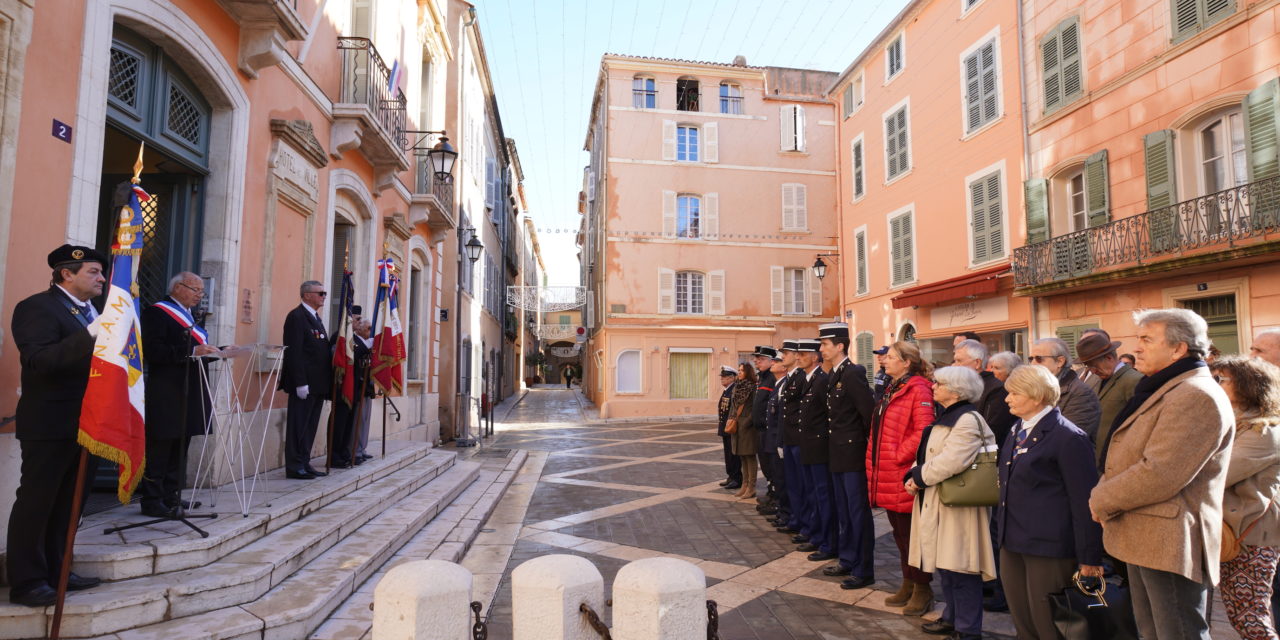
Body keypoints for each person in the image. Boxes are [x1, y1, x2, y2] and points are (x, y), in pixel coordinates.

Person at [1089, 308, 1234, 640]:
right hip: (1147, 534)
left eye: (1146, 339)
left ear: (1179, 348)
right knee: (1153, 631)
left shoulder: (1195, 394)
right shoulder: (1165, 388)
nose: (1136, 347)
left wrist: (1101, 498)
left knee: (1177, 633)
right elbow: (1127, 454)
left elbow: (1160, 473)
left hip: (1170, 541)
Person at [7, 244, 109, 606]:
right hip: (50, 422)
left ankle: (59, 569)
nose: (102, 278)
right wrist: (93, 333)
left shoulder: (89, 312)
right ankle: (28, 580)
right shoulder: (38, 307)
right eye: (94, 272)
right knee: (37, 502)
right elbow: (41, 361)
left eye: (101, 272)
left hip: (89, 422)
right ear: (67, 273)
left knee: (71, 503)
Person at [996, 364, 1104, 639]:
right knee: (1023, 622)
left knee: (1049, 625)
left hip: (1048, 548)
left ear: (1036, 396)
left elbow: (1084, 502)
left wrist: (1089, 556)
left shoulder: (1067, 437)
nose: (1007, 398)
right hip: (1013, 541)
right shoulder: (1016, 429)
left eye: (1014, 393)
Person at [906, 366, 998, 640]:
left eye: (939, 384)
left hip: (959, 504)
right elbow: (927, 453)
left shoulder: (968, 419)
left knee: (962, 567)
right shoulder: (948, 415)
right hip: (940, 500)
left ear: (956, 390)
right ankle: (952, 617)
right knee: (946, 564)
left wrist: (917, 478)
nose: (933, 387)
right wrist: (913, 474)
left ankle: (968, 629)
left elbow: (952, 461)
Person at [138, 272, 219, 517]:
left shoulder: (190, 315)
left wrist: (221, 351)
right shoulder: (158, 312)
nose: (199, 296)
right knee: (161, 446)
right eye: (195, 290)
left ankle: (171, 495)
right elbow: (153, 350)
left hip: (190, 388)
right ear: (177, 288)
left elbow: (195, 351)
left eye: (201, 291)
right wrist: (192, 350)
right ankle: (152, 499)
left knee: (180, 444)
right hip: (167, 389)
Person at [1212, 356, 1280, 640]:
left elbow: (1218, 474)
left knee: (1251, 617)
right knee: (1240, 614)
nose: (1213, 384)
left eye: (1221, 380)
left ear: (1247, 386)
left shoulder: (1264, 430)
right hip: (1233, 532)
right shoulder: (1234, 422)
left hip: (1252, 535)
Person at [869, 340, 936, 616]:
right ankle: (908, 582)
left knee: (913, 536)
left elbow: (924, 429)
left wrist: (898, 454)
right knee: (899, 534)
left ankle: (923, 588)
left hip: (902, 470)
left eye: (892, 357)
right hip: (887, 470)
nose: (885, 360)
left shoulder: (918, 388)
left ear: (906, 362)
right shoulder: (893, 386)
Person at [953, 339, 1015, 612]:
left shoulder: (996, 390)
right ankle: (987, 580)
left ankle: (1001, 589)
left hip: (991, 470)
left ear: (977, 364)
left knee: (993, 531)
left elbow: (991, 432)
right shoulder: (971, 388)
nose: (954, 366)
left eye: (959, 361)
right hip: (976, 469)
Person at [817, 322, 876, 589]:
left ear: (840, 346)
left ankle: (863, 569)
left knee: (856, 512)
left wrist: (861, 447)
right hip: (837, 453)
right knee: (843, 510)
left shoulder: (853, 374)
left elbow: (868, 414)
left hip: (851, 453)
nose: (821, 349)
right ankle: (848, 558)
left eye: (825, 345)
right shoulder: (835, 374)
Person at [280, 280, 333, 479]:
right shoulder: (297, 317)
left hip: (318, 384)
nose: (324, 296)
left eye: (324, 293)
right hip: (305, 384)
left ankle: (304, 461)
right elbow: (294, 352)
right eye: (321, 293)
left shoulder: (315, 318)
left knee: (310, 426)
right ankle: (294, 466)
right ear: (307, 295)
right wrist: (300, 382)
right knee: (298, 425)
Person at [795, 339, 838, 562]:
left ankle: (827, 542)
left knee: (823, 496)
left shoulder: (822, 380)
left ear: (814, 358)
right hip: (809, 447)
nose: (798, 358)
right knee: (813, 494)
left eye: (803, 354)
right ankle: (816, 534)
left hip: (820, 448)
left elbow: (826, 416)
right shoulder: (808, 379)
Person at [1074, 331, 1142, 468]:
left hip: (1121, 462)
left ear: (1109, 358)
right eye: (1088, 366)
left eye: (1093, 365)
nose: (1092, 371)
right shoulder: (1101, 380)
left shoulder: (1133, 381)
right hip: (1099, 460)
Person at [1029, 337, 1101, 442]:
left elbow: (1068, 438)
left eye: (1039, 359)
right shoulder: (1037, 389)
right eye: (1031, 359)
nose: (1033, 364)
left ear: (1059, 361)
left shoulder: (1081, 393)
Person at [778, 340, 812, 541]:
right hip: (790, 439)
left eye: (787, 353)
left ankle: (803, 523)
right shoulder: (791, 378)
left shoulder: (801, 377)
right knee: (793, 485)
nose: (785, 356)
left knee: (802, 486)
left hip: (799, 439)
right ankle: (797, 520)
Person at [332, 315, 374, 467]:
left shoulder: (354, 340)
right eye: (356, 319)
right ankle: (335, 455)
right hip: (343, 388)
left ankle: (344, 453)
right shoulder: (341, 337)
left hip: (355, 388)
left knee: (349, 424)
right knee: (340, 423)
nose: (358, 322)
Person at [751, 346, 780, 515]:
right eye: (756, 359)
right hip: (761, 430)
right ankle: (771, 492)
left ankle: (775, 497)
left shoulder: (772, 378)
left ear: (771, 361)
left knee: (772, 466)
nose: (756, 361)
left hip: (769, 430)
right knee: (766, 466)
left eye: (760, 359)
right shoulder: (762, 378)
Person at [763, 356, 792, 528]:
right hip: (773, 438)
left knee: (782, 479)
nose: (772, 363)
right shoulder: (778, 385)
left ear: (784, 367)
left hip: (778, 439)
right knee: (777, 478)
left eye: (777, 361)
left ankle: (786, 514)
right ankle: (783, 511)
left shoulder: (784, 384)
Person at [727, 363, 759, 500]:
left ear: (748, 372)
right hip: (736, 425)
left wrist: (747, 422)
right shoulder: (737, 386)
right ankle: (744, 485)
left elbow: (755, 408)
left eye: (742, 371)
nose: (739, 373)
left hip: (747, 427)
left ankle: (751, 487)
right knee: (741, 456)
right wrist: (731, 419)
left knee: (750, 456)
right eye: (738, 370)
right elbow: (732, 406)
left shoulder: (752, 387)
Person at [716, 364, 742, 490]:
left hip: (731, 427)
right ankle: (731, 476)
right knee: (728, 454)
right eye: (722, 377)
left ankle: (736, 478)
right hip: (725, 427)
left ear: (732, 378)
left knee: (733, 455)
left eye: (725, 377)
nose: (722, 379)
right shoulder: (727, 390)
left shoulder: (734, 390)